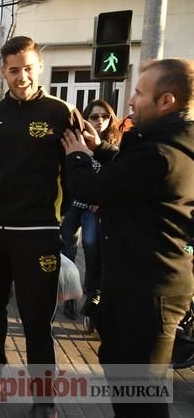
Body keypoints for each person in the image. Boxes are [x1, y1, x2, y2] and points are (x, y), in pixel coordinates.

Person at [61, 58, 194, 418]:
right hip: (134, 284)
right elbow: (128, 175)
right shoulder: (163, 143)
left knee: (142, 397)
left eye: (138, 92)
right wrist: (99, 149)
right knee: (124, 377)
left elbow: (94, 187)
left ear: (166, 101)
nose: (131, 101)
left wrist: (76, 156)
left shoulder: (162, 154)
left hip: (149, 293)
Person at [0, 36, 83, 417]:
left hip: (36, 236)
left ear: (39, 67)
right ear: (3, 72)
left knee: (36, 319)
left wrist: (58, 222)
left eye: (28, 68)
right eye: (14, 70)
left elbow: (76, 170)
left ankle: (44, 396)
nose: (21, 77)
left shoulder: (62, 112)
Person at [60, 99, 121, 320]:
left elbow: (116, 178)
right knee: (67, 249)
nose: (100, 121)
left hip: (93, 208)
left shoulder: (113, 147)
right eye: (94, 116)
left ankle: (93, 292)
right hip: (72, 205)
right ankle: (69, 297)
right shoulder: (77, 138)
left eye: (105, 117)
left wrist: (101, 198)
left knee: (92, 245)